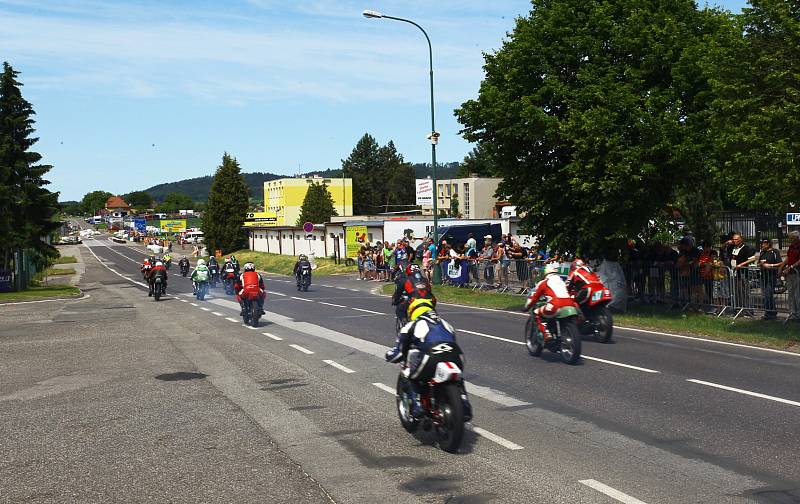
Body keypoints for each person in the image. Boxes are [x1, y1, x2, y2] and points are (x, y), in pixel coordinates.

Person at [384, 299, 471, 421]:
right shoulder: (446, 324)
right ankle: (464, 403)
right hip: (455, 355)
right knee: (458, 378)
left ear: (412, 311)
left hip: (431, 356)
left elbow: (398, 353)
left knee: (407, 372)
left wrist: (388, 355)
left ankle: (416, 405)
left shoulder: (411, 325)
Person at [524, 263, 578, 342]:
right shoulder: (561, 281)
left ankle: (546, 333)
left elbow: (534, 297)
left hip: (555, 304)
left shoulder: (544, 282)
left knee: (536, 312)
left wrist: (527, 307)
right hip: (570, 303)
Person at [757, 239, 782, 320]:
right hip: (763, 276)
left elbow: (780, 263)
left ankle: (771, 313)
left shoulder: (775, 252)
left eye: (764, 244)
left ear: (769, 244)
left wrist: (770, 265)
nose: (762, 245)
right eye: (762, 244)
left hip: (771, 276)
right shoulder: (762, 252)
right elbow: (758, 263)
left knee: (768, 294)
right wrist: (761, 264)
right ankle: (769, 312)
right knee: (765, 295)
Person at [780, 230, 800, 321]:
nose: (790, 240)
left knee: (797, 295)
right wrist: (781, 266)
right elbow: (788, 258)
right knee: (791, 294)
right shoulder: (791, 246)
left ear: (796, 238)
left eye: (791, 238)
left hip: (797, 273)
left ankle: (798, 314)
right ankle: (792, 313)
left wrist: (791, 267)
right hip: (790, 274)